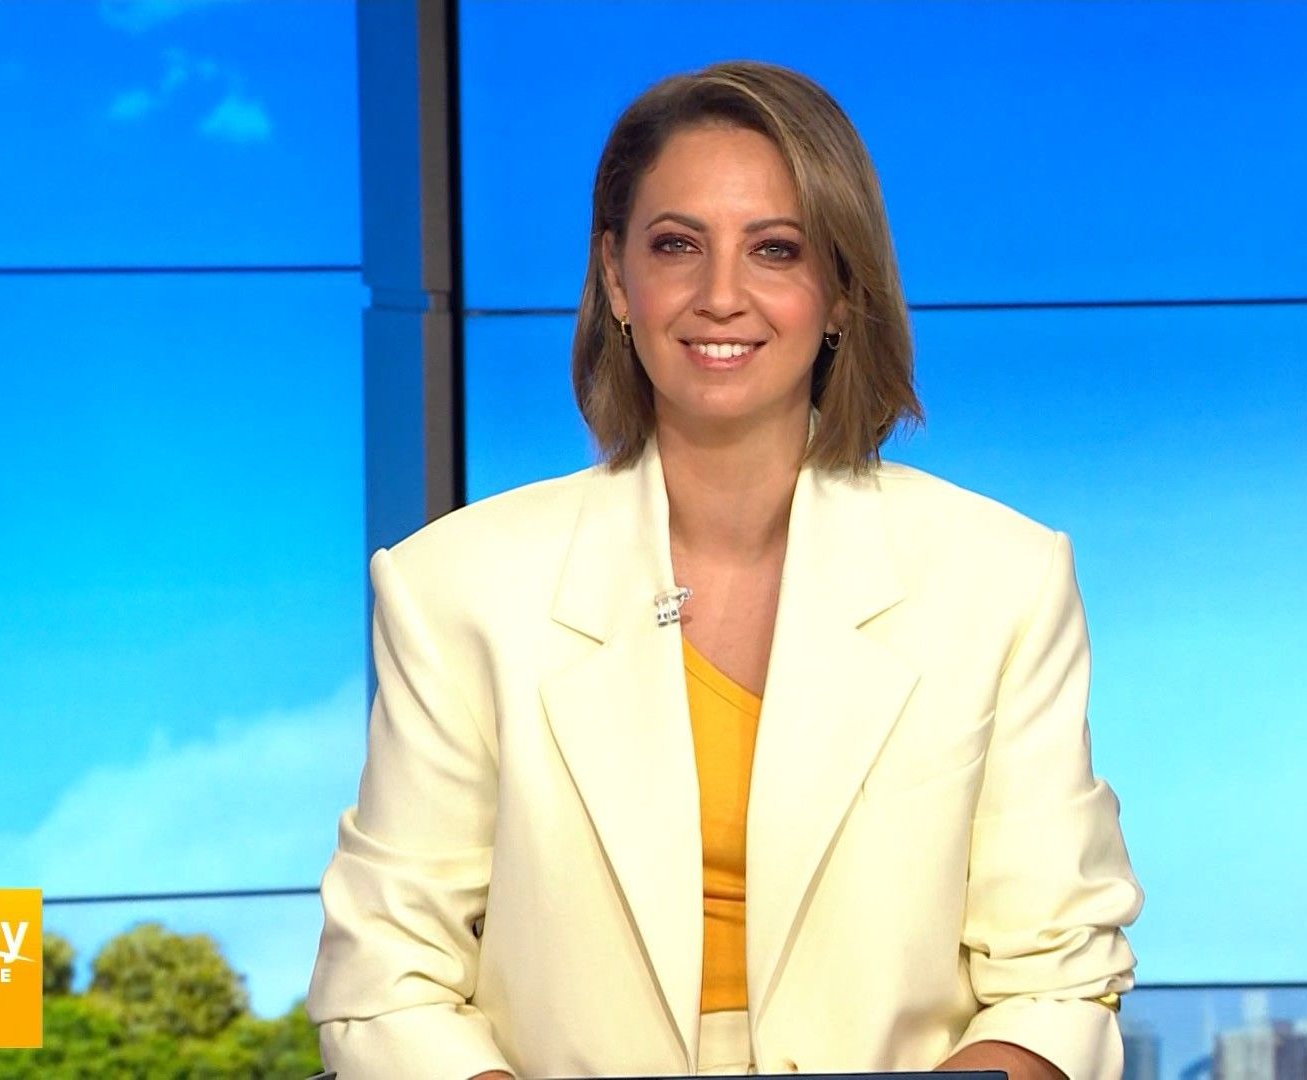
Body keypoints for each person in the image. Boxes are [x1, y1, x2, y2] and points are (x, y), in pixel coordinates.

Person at [306, 59, 1142, 1080]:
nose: (720, 297)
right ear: (618, 279)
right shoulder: (458, 588)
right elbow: (386, 977)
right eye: (677, 246)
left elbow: (1056, 983)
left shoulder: (1002, 580)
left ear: (842, 293)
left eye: (775, 250)